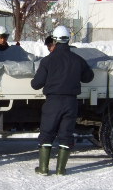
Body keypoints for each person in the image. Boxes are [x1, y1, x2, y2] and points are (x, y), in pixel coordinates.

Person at [31, 26, 94, 175]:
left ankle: (44, 168)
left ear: (55, 39)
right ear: (68, 40)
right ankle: (60, 169)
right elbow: (88, 77)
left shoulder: (47, 61)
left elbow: (36, 84)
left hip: (53, 102)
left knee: (47, 133)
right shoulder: (78, 60)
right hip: (71, 103)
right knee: (66, 134)